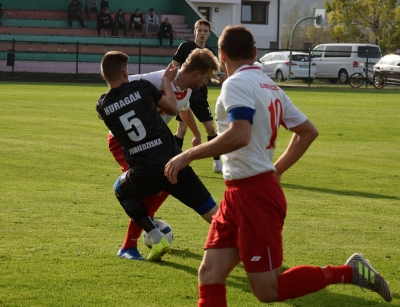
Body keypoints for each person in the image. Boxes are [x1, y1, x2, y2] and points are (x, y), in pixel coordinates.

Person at [164, 25, 393, 306]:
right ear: (255, 53)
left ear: (221, 53)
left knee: (267, 290)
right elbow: (307, 131)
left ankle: (350, 272)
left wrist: (188, 155)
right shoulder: (270, 86)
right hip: (239, 193)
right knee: (210, 273)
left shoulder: (236, 84)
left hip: (254, 196)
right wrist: (278, 170)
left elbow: (240, 133)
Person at [97, 50, 221, 261]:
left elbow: (182, 109)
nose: (207, 82)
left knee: (157, 188)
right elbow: (121, 90)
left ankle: (149, 235)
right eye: (207, 77)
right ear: (196, 74)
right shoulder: (148, 81)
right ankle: (130, 245)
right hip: (126, 144)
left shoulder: (188, 89)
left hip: (155, 148)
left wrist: (197, 132)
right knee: (151, 191)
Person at [172, 20, 227, 174]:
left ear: (209, 33)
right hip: (184, 94)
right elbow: (173, 66)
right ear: (194, 32)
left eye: (205, 31)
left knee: (210, 128)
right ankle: (175, 160)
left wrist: (218, 80)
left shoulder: (210, 52)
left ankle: (217, 162)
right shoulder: (185, 47)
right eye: (200, 30)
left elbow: (212, 77)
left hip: (200, 96)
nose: (202, 33)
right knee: (181, 128)